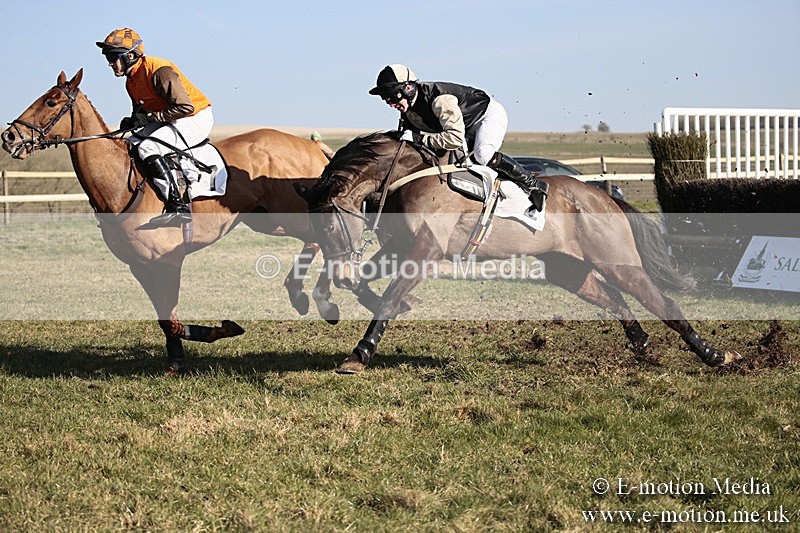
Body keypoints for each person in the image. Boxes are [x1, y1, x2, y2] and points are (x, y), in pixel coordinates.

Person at [368, 64, 548, 211]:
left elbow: (453, 138)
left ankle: (533, 184)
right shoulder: (408, 110)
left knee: (483, 154)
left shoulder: (439, 100)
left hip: (485, 116)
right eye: (387, 100)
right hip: (462, 126)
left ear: (408, 88)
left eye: (393, 98)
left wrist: (419, 139)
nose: (391, 104)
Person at [96, 28, 213, 227]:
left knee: (148, 148)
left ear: (131, 55)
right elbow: (141, 114)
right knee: (128, 145)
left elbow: (185, 107)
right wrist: (131, 122)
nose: (110, 63)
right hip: (170, 118)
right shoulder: (131, 81)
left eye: (113, 57)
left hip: (195, 116)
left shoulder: (159, 70)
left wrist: (151, 117)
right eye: (108, 57)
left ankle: (178, 207)